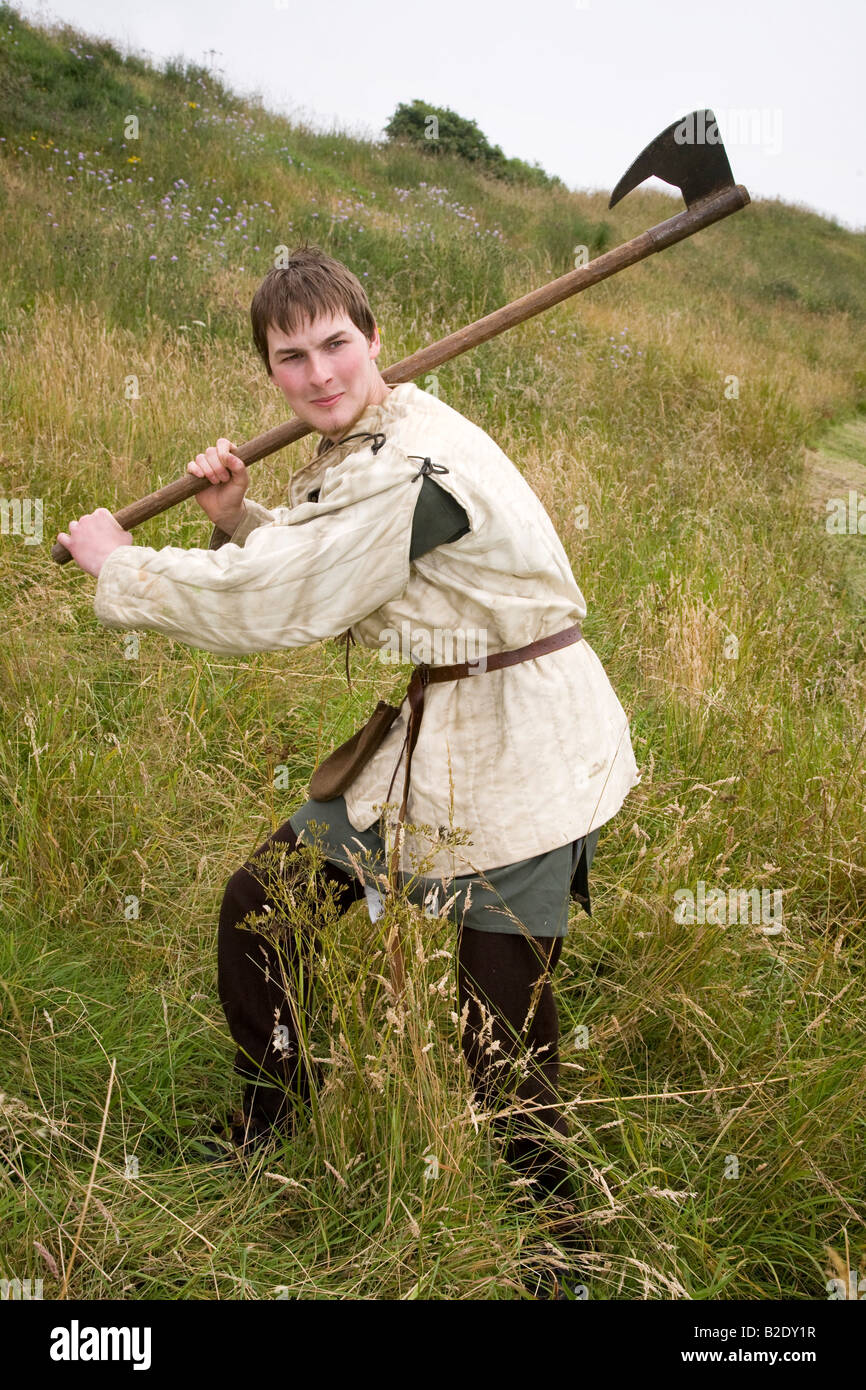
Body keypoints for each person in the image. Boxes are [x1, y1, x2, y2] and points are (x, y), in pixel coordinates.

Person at [58, 245, 641, 1248]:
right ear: (269, 370)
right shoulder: (375, 435)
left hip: (530, 738)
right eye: (291, 357)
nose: (317, 375)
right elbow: (322, 555)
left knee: (498, 1032)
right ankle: (270, 1120)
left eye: (335, 345)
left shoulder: (418, 460)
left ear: (376, 341)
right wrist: (241, 515)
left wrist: (123, 564)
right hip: (439, 722)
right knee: (262, 907)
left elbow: (289, 598)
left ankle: (562, 1240)